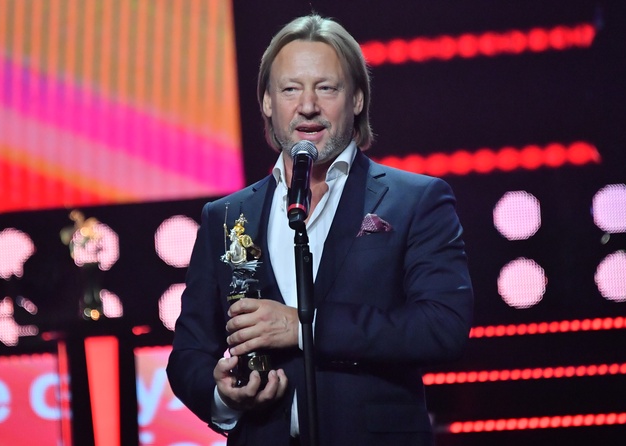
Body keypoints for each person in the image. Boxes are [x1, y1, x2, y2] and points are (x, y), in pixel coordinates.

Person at [167, 13, 473, 446]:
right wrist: (223, 396)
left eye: (326, 88)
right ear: (267, 103)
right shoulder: (225, 216)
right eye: (290, 89)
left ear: (357, 99)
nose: (307, 106)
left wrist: (303, 328)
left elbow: (441, 326)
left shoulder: (415, 200)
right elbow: (189, 353)